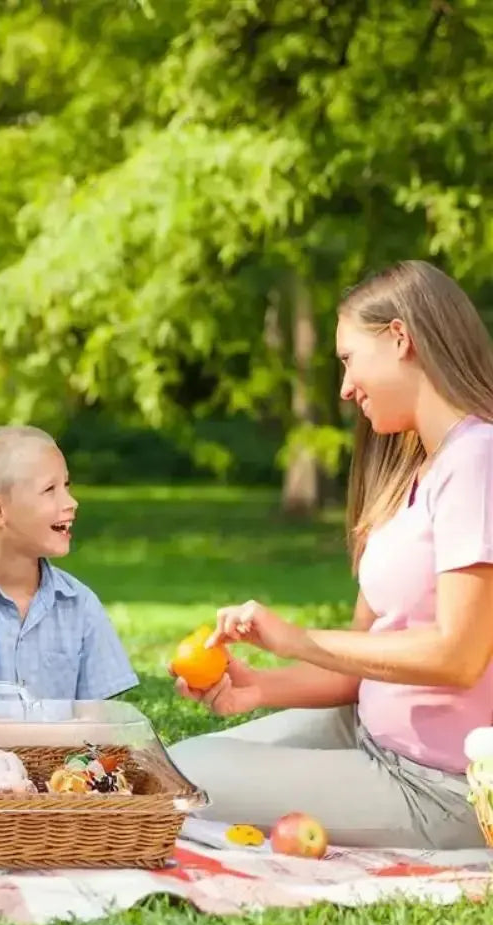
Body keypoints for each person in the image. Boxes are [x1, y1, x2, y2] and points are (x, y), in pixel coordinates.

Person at [169, 260, 493, 849]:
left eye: (348, 359)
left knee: (167, 789)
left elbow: (459, 656)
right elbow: (365, 661)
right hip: (365, 731)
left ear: (400, 339)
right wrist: (259, 686)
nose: (344, 388)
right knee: (165, 766)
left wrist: (294, 637)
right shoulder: (419, 471)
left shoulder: (480, 460)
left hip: (440, 786)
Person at [0, 425, 138, 701]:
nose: (71, 502)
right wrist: (62, 734)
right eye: (50, 489)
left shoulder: (80, 604)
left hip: (67, 747)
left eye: (66, 485)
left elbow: (98, 723)